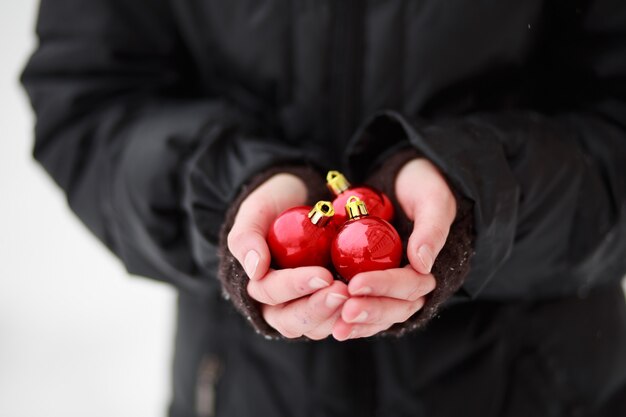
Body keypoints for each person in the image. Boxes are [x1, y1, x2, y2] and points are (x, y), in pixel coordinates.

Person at [22, 0, 626, 416]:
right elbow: (90, 98)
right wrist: (224, 189)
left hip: (539, 389)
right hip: (245, 393)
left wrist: (482, 198)